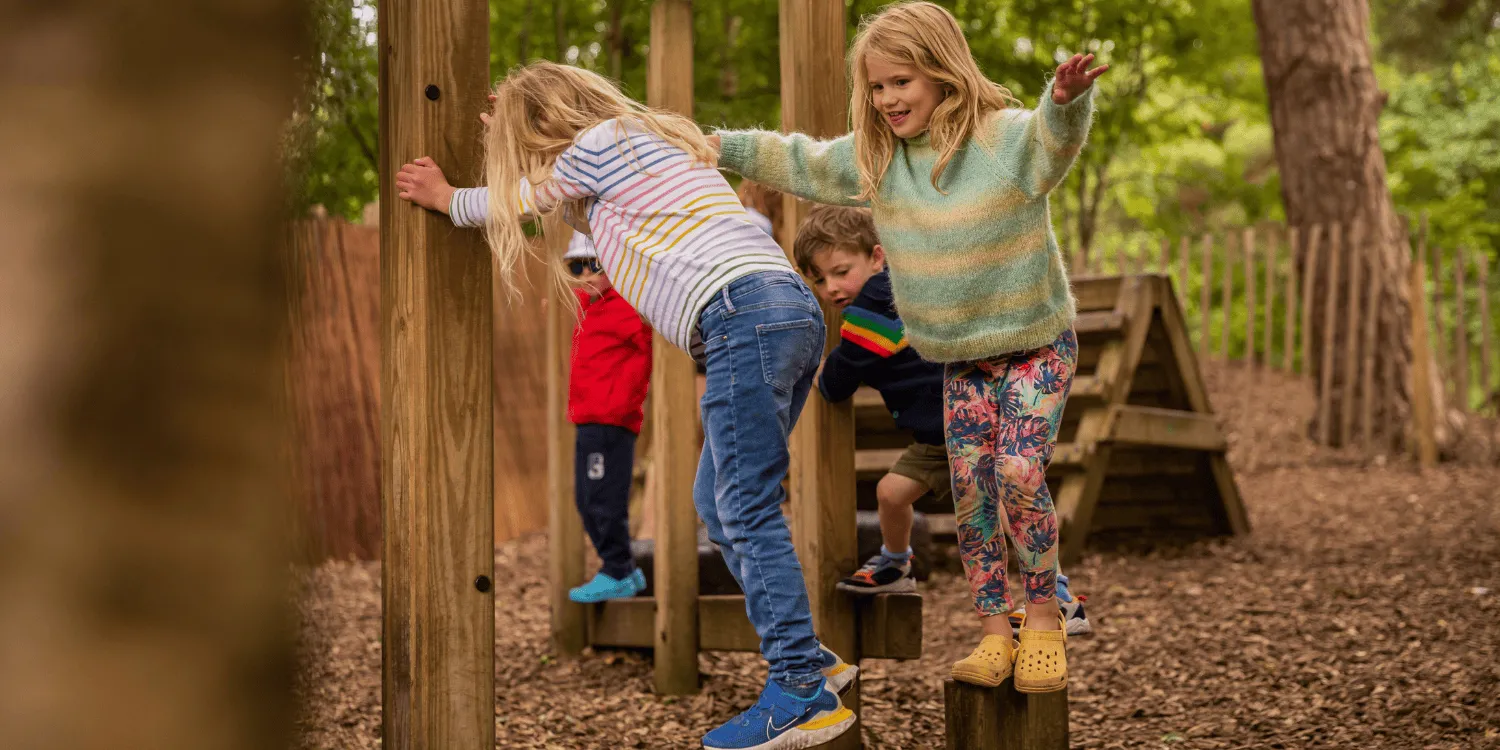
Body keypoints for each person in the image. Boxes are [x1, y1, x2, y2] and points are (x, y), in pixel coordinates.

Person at [394, 61, 857, 750]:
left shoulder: (603, 143)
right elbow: (555, 198)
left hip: (742, 318)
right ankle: (811, 660)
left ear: (550, 124)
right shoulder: (640, 148)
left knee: (745, 507)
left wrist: (444, 195)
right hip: (784, 315)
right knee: (720, 503)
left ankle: (798, 687)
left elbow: (518, 200)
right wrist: (513, 124)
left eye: (523, 136)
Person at [710, 1, 1107, 693]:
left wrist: (1066, 101)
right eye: (877, 86)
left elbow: (1053, 138)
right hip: (960, 360)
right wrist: (715, 146)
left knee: (1016, 470)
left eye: (902, 81)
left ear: (942, 72)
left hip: (1035, 345)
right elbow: (796, 159)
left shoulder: (1003, 140)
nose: (887, 98)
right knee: (970, 493)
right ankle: (992, 629)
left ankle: (1043, 615)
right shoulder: (880, 162)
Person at [793, 205, 1093, 636]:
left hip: (971, 424)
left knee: (1009, 501)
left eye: (841, 271)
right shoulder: (873, 306)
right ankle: (897, 563)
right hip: (935, 437)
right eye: (819, 280)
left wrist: (822, 379)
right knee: (891, 493)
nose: (831, 287)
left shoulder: (884, 293)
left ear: (878, 257)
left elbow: (843, 372)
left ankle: (1059, 594)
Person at [555, 233, 653, 604]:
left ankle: (618, 570)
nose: (584, 274)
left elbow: (652, 336)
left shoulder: (629, 306)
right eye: (575, 266)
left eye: (594, 265)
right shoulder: (590, 304)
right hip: (588, 419)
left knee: (602, 499)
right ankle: (622, 569)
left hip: (612, 420)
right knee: (585, 499)